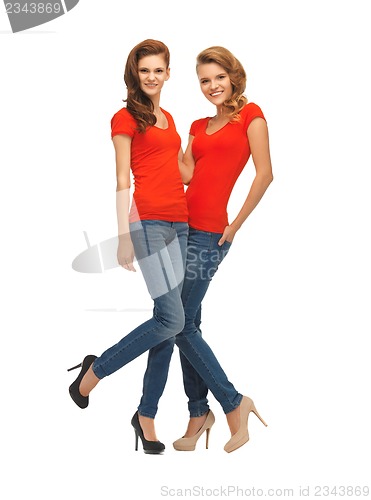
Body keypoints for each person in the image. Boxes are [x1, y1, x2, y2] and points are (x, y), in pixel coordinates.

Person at [137, 46, 273, 453]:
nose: (212, 86)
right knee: (181, 322)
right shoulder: (196, 125)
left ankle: (233, 404)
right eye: (204, 80)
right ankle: (200, 412)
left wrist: (234, 226)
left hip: (210, 234)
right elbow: (185, 174)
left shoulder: (251, 116)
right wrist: (154, 133)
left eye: (218, 77)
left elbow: (265, 175)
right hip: (177, 227)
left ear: (233, 76)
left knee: (177, 324)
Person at [67, 39, 189, 455]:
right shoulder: (125, 118)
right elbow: (123, 178)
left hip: (182, 222)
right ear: (134, 75)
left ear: (169, 73)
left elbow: (184, 170)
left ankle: (146, 415)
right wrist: (123, 236)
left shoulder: (171, 119)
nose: (152, 77)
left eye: (159, 70)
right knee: (173, 318)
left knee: (168, 322)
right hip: (148, 223)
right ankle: (94, 372)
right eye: (145, 71)